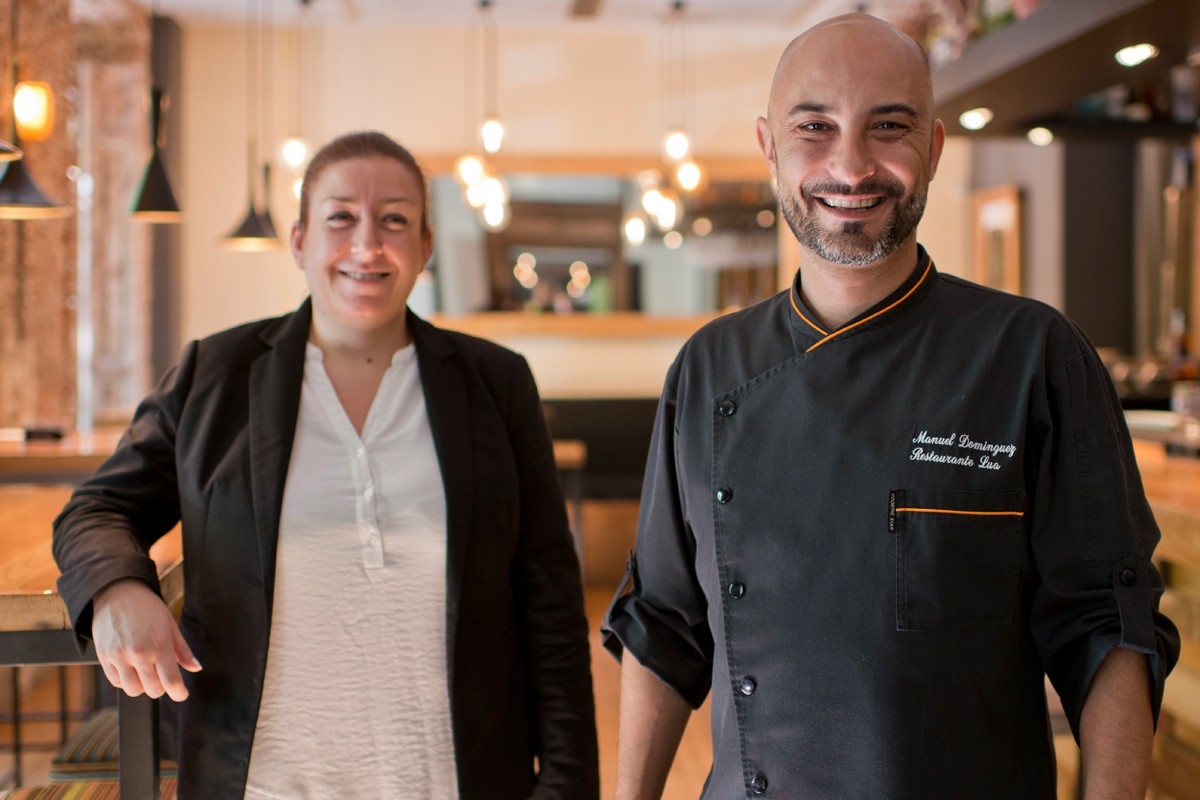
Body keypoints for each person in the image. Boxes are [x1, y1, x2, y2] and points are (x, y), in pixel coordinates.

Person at [602, 13, 1178, 800]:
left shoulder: (1032, 357)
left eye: (889, 126)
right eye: (816, 126)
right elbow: (664, 626)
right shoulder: (707, 369)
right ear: (771, 147)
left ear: (934, 147)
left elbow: (1108, 625)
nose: (851, 164)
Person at [53, 130, 600, 800]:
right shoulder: (214, 377)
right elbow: (99, 509)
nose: (367, 245)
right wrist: (117, 588)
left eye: (394, 220)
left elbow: (551, 601)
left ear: (424, 246)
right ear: (300, 241)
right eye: (340, 217)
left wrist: (569, 784)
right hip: (264, 783)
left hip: (453, 780)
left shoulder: (495, 384)